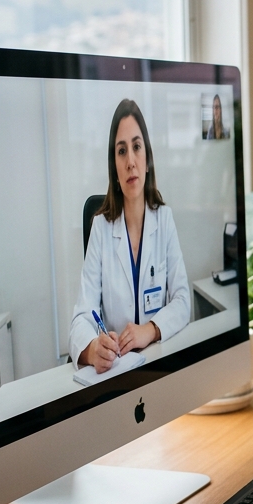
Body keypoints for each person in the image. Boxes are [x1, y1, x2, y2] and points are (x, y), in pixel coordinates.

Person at [70, 99, 190, 373]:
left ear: (147, 159)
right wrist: (92, 350)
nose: (130, 161)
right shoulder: (100, 228)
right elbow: (81, 316)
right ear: (114, 168)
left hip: (158, 364)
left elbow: (183, 300)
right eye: (121, 151)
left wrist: (150, 330)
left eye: (136, 147)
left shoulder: (165, 219)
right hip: (116, 372)